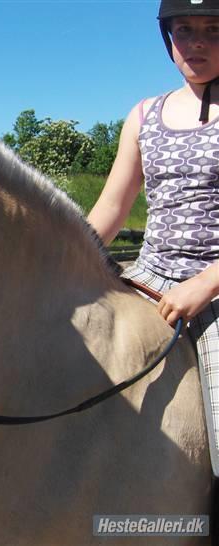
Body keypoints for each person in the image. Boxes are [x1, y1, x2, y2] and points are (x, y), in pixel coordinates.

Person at [87, 0, 219, 474]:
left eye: (213, 28)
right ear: (168, 37)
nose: (198, 41)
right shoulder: (145, 114)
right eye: (185, 29)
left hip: (213, 287)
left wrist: (205, 285)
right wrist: (69, 253)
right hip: (147, 276)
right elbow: (112, 207)